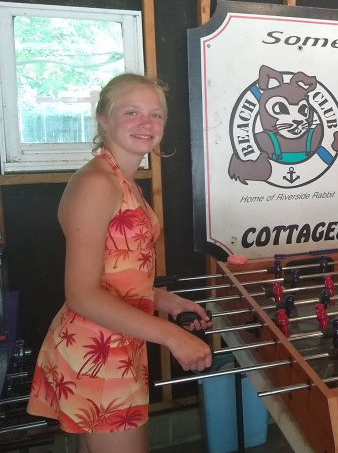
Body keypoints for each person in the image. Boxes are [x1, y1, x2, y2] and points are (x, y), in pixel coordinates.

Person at [27, 73, 212, 453]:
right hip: (98, 350)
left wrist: (167, 301)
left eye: (156, 115)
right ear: (103, 120)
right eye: (132, 112)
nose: (146, 123)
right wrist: (173, 336)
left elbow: (118, 273)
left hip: (118, 341)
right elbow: (81, 294)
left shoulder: (121, 179)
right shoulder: (97, 183)